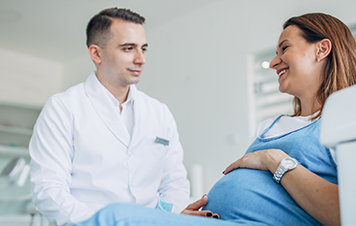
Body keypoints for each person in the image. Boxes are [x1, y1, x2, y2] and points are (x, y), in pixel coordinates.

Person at [74, 12, 356, 226]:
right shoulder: (269, 127)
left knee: (113, 218)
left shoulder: (346, 119)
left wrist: (273, 160)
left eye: (284, 48)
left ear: (322, 49)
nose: (273, 62)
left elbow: (346, 212)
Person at [29, 7, 190, 226]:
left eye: (143, 48)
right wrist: (103, 223)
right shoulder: (63, 108)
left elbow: (175, 182)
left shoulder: (159, 112)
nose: (141, 59)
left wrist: (162, 219)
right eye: (128, 48)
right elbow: (48, 188)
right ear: (96, 53)